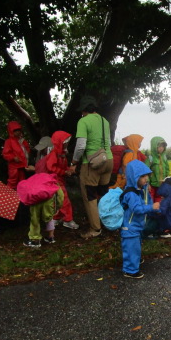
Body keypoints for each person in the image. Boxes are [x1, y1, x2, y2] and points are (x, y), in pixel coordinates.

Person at [69, 96, 114, 239]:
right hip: (108, 160)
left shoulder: (83, 121)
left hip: (92, 163)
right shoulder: (104, 121)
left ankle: (95, 229)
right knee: (104, 194)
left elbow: (81, 145)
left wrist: (74, 162)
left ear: (84, 110)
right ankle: (109, 222)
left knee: (90, 196)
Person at [120, 160, 160, 278]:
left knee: (135, 246)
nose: (146, 178)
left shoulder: (139, 190)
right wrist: (151, 207)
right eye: (142, 176)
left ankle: (135, 260)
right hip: (130, 227)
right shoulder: (131, 194)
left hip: (136, 226)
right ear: (134, 176)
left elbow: (146, 201)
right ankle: (130, 271)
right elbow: (137, 209)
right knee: (131, 247)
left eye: (146, 175)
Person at [44, 131, 79, 230]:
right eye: (65, 141)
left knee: (58, 200)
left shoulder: (61, 153)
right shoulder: (54, 153)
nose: (67, 143)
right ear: (60, 142)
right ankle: (68, 220)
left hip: (59, 179)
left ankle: (56, 217)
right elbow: (51, 167)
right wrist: (64, 172)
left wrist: (68, 170)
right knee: (64, 199)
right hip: (55, 180)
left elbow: (60, 167)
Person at [23, 178, 65, 248]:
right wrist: (58, 206)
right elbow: (61, 196)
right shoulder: (53, 182)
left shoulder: (33, 181)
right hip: (48, 203)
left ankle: (35, 240)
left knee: (35, 220)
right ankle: (51, 237)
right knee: (49, 218)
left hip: (35, 202)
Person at [2, 121, 33, 189]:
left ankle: (20, 197)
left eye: (19, 130)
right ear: (11, 131)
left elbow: (27, 150)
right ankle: (9, 195)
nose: (18, 132)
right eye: (15, 130)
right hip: (14, 166)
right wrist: (13, 157)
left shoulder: (22, 141)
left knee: (22, 182)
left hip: (22, 165)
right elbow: (5, 154)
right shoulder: (9, 141)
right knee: (12, 181)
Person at [147, 136, 169, 202]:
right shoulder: (150, 158)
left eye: (163, 146)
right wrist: (147, 183)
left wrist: (166, 179)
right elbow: (145, 171)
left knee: (160, 199)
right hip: (152, 185)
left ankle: (158, 211)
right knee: (150, 199)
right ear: (154, 146)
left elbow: (167, 168)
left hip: (162, 183)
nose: (161, 148)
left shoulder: (164, 157)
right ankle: (151, 211)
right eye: (159, 146)